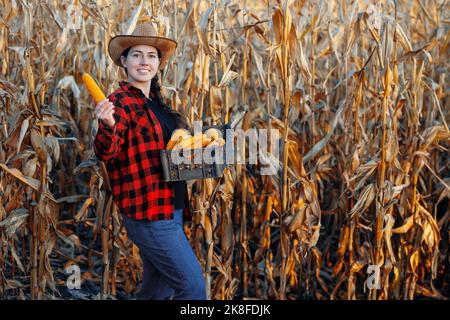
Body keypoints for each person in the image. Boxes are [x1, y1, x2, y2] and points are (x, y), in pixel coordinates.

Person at [93, 20, 206, 300]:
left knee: (159, 290)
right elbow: (107, 152)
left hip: (172, 208)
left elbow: (172, 152)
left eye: (151, 55)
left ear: (158, 63)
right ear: (124, 60)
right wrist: (107, 124)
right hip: (150, 214)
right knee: (192, 289)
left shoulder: (156, 103)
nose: (145, 61)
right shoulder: (119, 103)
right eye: (137, 54)